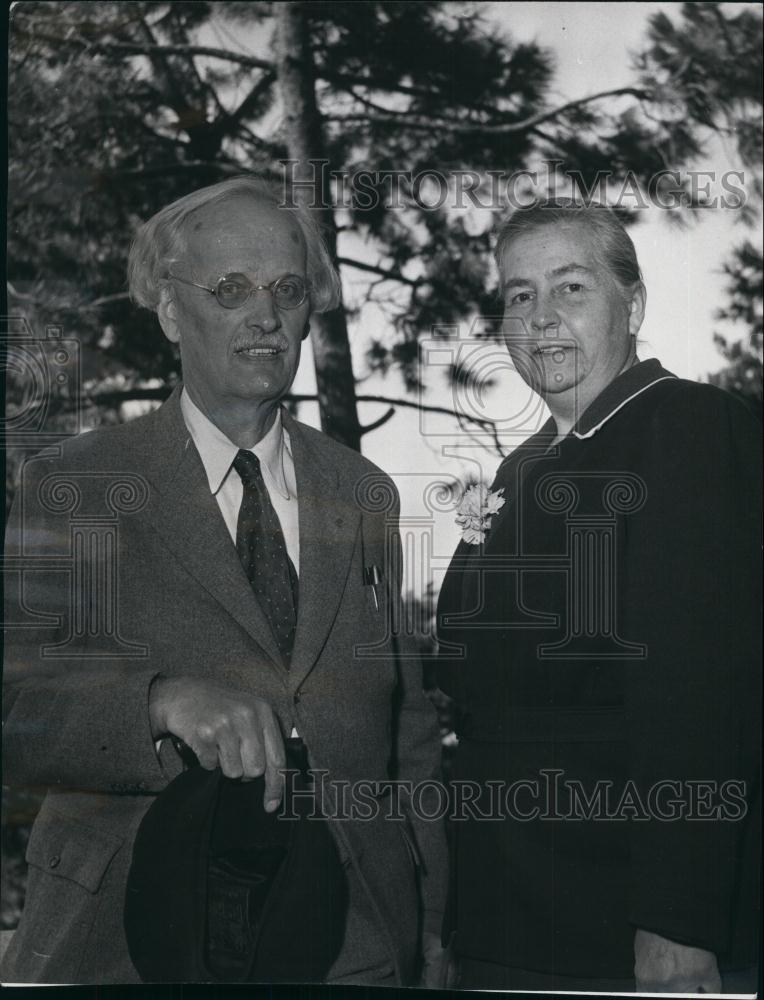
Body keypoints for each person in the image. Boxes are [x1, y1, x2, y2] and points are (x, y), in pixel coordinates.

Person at [2, 176, 448, 986]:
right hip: (137, 938)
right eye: (231, 290)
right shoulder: (78, 482)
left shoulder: (365, 493)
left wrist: (434, 926)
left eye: (287, 289)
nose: (266, 316)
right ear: (172, 312)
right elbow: (14, 714)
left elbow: (409, 734)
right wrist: (158, 701)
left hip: (358, 943)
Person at [436, 199, 761, 993]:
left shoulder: (683, 427)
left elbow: (698, 697)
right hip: (510, 907)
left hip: (618, 917)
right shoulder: (527, 467)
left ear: (634, 304)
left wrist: (677, 924)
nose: (540, 317)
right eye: (519, 295)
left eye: (570, 288)